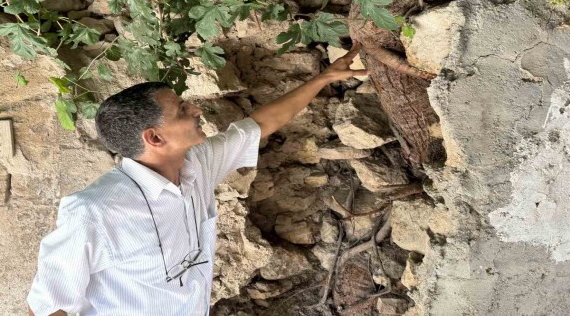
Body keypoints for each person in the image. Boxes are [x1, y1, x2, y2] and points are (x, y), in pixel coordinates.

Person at [27, 44, 368, 316]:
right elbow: (47, 307)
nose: (197, 111)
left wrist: (324, 78)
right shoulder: (94, 211)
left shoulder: (196, 164)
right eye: (182, 110)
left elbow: (260, 125)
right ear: (155, 138)